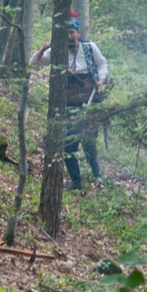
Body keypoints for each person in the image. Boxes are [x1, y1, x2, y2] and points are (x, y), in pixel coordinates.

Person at [30, 18, 109, 190]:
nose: (69, 36)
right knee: (68, 143)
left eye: (72, 32)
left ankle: (98, 175)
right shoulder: (57, 51)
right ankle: (76, 180)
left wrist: (101, 79)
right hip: (68, 104)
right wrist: (43, 49)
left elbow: (102, 64)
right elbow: (34, 64)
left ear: (78, 33)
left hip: (89, 101)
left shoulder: (90, 48)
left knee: (88, 140)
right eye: (66, 33)